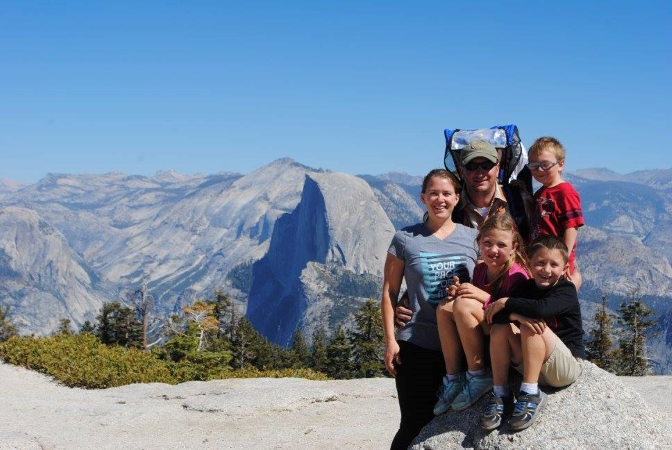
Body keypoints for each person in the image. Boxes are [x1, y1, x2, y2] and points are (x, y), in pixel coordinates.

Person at [381, 168, 479, 450]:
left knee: (456, 426)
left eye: (447, 193)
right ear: (423, 197)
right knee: (413, 424)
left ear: (457, 198)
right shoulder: (404, 239)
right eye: (433, 193)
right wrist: (390, 341)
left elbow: (490, 283)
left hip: (463, 347)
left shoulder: (472, 238)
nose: (440, 199)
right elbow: (389, 292)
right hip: (417, 346)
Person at [396, 138, 534, 327]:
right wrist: (408, 298)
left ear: (497, 167)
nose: (479, 172)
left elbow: (539, 248)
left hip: (513, 303)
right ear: (461, 170)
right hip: (467, 310)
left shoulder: (520, 202)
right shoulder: (450, 208)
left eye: (486, 165)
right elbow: (430, 253)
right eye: (471, 166)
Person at [481, 236, 585, 432]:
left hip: (564, 368)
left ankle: (529, 393)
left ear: (564, 269)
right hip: (532, 362)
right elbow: (493, 318)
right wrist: (515, 315)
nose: (546, 270)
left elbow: (542, 310)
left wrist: (507, 302)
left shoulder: (566, 291)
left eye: (554, 265)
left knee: (532, 325)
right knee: (500, 328)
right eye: (540, 263)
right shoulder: (525, 288)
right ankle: (501, 393)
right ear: (529, 264)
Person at [433, 212, 530, 415]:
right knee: (444, 308)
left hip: (510, 340)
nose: (493, 250)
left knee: (462, 306)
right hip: (489, 330)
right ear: (478, 243)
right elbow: (471, 304)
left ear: (514, 247)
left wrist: (482, 297)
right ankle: (454, 378)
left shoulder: (517, 276)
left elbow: (518, 316)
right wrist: (459, 293)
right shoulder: (480, 270)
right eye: (487, 243)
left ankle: (479, 375)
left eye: (502, 245)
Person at [527, 136, 584, 291]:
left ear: (560, 164)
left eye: (545, 164)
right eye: (534, 165)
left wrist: (563, 260)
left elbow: (571, 227)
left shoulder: (565, 192)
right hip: (541, 259)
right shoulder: (540, 193)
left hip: (556, 262)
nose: (539, 170)